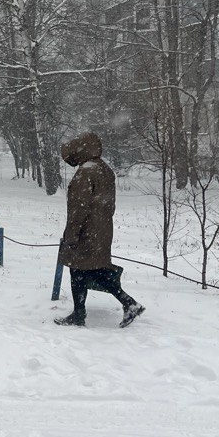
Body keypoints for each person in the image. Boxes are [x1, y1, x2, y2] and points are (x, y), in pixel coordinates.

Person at [55, 131, 145, 328]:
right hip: (102, 229)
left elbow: (78, 209)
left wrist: (71, 236)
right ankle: (123, 304)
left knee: (79, 271)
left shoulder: (85, 172)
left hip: (86, 232)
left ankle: (120, 304)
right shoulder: (105, 169)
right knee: (94, 269)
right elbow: (108, 204)